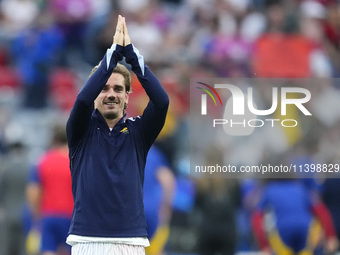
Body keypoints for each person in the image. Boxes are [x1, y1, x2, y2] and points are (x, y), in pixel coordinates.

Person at [65, 15, 169, 255]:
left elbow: (162, 102)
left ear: (127, 96)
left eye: (118, 89)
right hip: (86, 240)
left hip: (130, 242)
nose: (111, 94)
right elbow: (82, 101)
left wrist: (130, 54)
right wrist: (112, 54)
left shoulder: (138, 132)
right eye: (104, 88)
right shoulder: (80, 129)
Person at [252, 178, 339, 255]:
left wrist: (264, 245)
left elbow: (257, 217)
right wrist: (330, 236)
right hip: (305, 229)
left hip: (283, 230)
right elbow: (321, 211)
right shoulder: (300, 188)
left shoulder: (270, 190)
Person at [27, 124, 74, 255]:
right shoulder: (76, 161)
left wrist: (36, 214)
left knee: (48, 250)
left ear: (54, 140)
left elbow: (33, 191)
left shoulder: (43, 160)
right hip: (72, 217)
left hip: (49, 215)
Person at [143, 145, 176, 255]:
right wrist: (166, 207)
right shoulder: (153, 153)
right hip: (151, 210)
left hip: (128, 211)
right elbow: (167, 180)